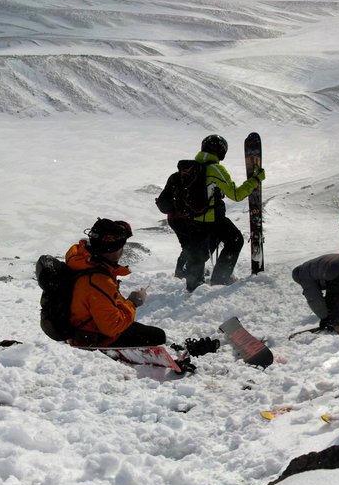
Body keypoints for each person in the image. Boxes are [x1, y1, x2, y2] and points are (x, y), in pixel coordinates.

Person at [167, 133, 261, 291]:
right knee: (235, 240)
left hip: (192, 220)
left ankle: (194, 287)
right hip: (212, 219)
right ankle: (220, 279)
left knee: (198, 253)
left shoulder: (188, 169)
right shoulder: (216, 169)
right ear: (221, 152)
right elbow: (236, 195)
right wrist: (255, 180)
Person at [65, 219, 169, 349]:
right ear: (114, 249)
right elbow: (112, 327)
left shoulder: (82, 261)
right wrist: (133, 302)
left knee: (137, 328)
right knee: (158, 336)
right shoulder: (98, 280)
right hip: (93, 336)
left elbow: (106, 303)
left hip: (85, 324)